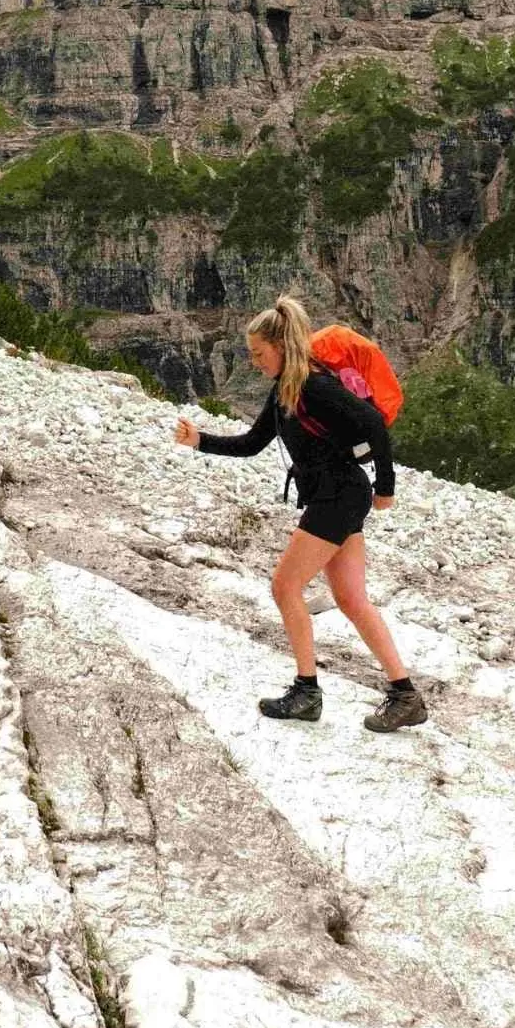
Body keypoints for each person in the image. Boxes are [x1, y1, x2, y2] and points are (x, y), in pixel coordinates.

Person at [173, 295, 428, 733]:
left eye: (258, 353)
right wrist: (200, 441)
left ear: (281, 345)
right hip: (336, 496)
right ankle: (406, 695)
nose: (254, 362)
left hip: (338, 496)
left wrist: (386, 488)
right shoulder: (285, 392)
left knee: (285, 586)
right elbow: (252, 444)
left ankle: (307, 692)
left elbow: (372, 424)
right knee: (351, 599)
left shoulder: (314, 385)